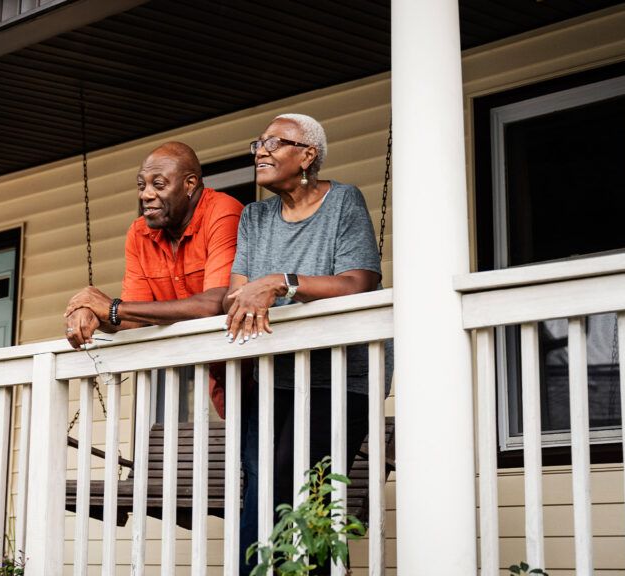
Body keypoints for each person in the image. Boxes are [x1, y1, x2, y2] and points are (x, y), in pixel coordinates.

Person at [224, 113, 391, 573]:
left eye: (274, 143)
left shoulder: (343, 202)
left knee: (302, 490)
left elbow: (358, 281)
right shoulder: (255, 217)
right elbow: (239, 293)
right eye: (258, 143)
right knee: (261, 490)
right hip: (275, 373)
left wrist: (281, 282)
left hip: (340, 376)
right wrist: (259, 289)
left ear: (308, 155)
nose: (260, 151)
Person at [64, 142, 244, 359]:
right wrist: (92, 314)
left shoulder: (223, 212)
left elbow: (213, 305)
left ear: (189, 184)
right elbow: (134, 319)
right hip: (196, 365)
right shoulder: (139, 233)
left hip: (248, 359)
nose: (145, 195)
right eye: (141, 185)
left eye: (158, 185)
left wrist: (112, 308)